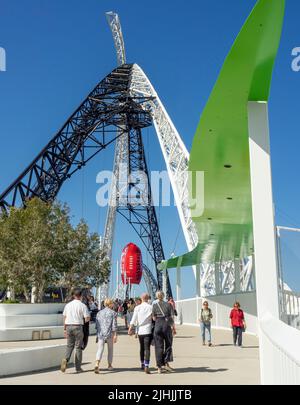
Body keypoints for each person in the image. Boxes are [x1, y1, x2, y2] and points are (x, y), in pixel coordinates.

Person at [60, 288, 90, 373]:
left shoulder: (68, 305)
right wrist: (83, 320)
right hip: (78, 326)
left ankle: (65, 359)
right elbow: (87, 318)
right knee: (78, 347)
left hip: (68, 326)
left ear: (73, 295)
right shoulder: (82, 305)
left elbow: (64, 317)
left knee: (69, 346)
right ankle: (78, 368)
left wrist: (65, 329)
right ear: (81, 296)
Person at [128, 293, 153, 374]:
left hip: (140, 331)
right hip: (148, 330)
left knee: (142, 347)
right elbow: (153, 318)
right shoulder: (150, 307)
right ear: (147, 298)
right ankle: (146, 365)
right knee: (147, 348)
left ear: (141, 298)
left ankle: (142, 364)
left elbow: (134, 319)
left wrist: (130, 328)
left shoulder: (137, 308)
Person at [152, 291, 176, 374]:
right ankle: (166, 362)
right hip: (166, 325)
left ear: (157, 296)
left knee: (158, 347)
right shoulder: (168, 305)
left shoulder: (154, 305)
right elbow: (171, 317)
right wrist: (173, 327)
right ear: (163, 296)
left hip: (158, 325)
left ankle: (159, 367)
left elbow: (154, 318)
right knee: (169, 344)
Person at [94, 298, 118, 374]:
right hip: (109, 333)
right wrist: (115, 335)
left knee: (100, 349)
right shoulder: (113, 313)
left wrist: (97, 334)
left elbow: (97, 325)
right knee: (110, 349)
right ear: (110, 304)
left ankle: (97, 363)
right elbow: (114, 325)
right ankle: (110, 365)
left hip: (101, 333)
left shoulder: (99, 313)